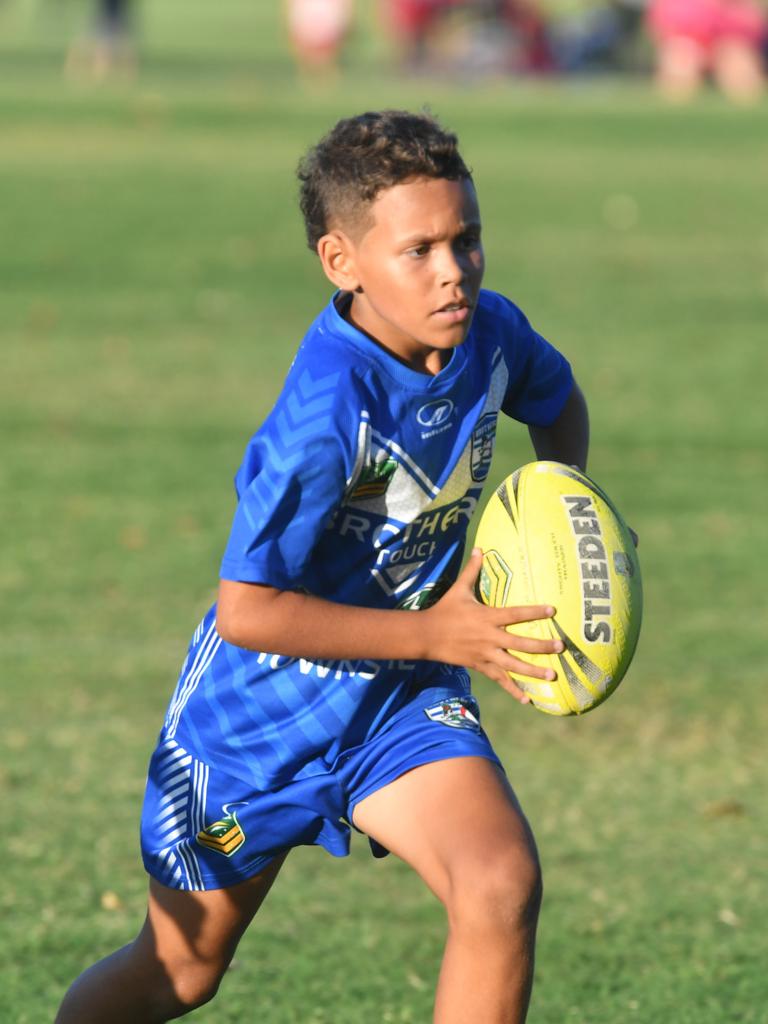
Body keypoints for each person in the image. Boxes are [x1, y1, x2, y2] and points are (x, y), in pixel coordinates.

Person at [55, 109, 590, 1024]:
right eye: (418, 250)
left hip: (400, 698)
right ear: (343, 263)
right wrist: (434, 629)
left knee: (498, 882)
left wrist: (559, 518)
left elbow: (558, 398)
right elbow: (248, 610)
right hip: (258, 717)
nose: (454, 271)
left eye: (467, 239)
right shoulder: (323, 414)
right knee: (180, 972)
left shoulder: (489, 338)